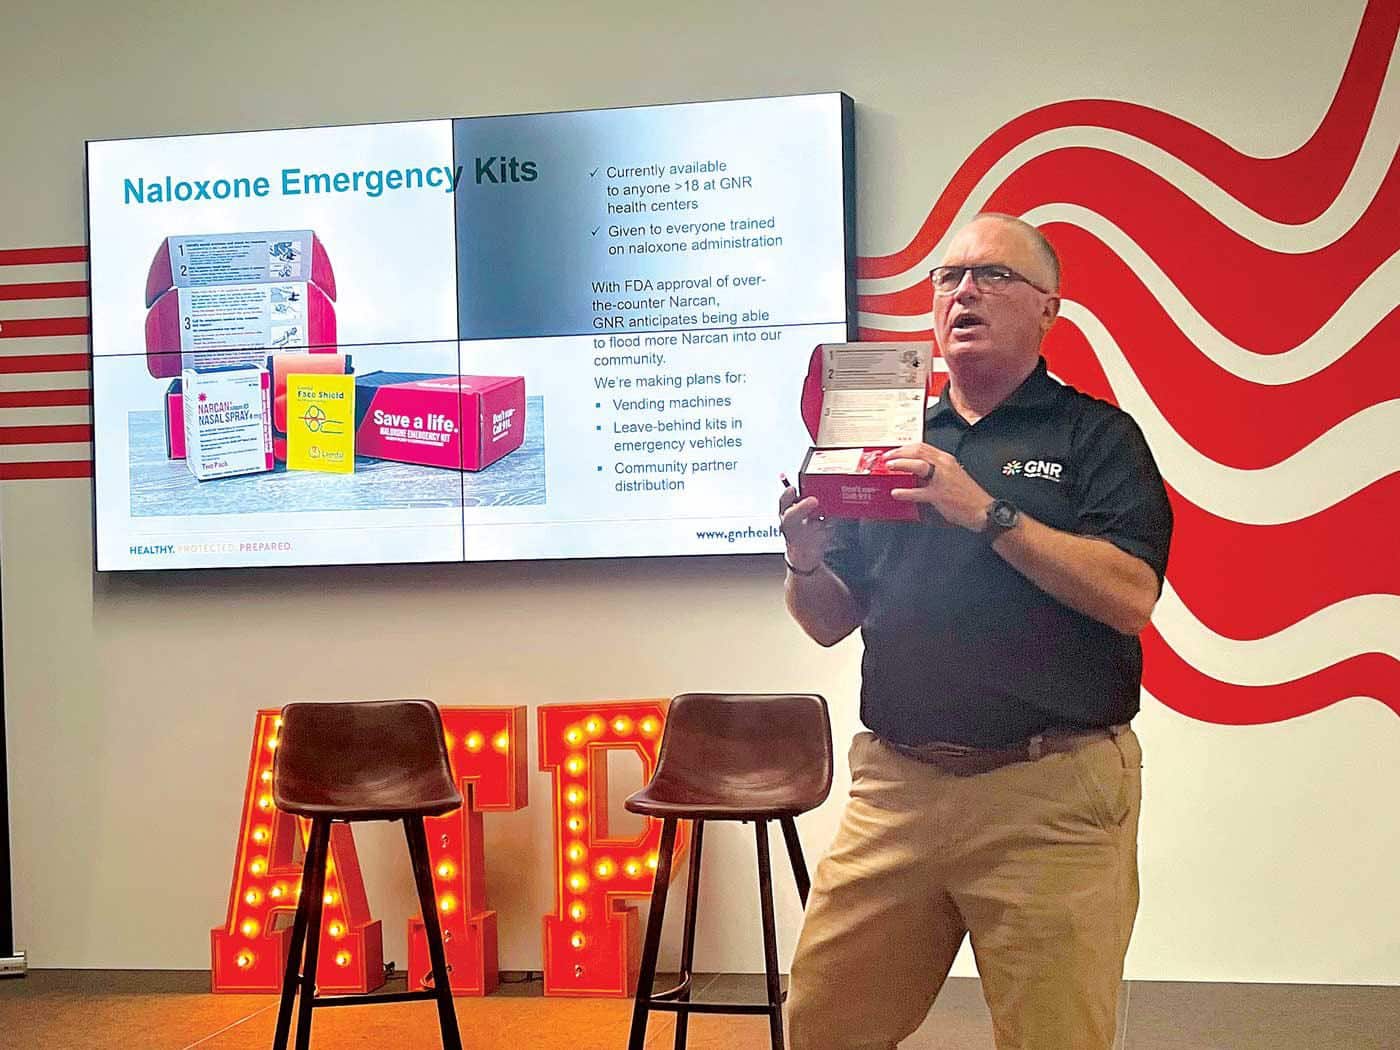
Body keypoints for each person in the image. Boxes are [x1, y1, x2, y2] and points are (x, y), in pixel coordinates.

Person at [780, 213, 1173, 1050]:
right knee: (821, 1028)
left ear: (1048, 310)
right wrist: (806, 563)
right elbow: (828, 624)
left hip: (1049, 793)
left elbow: (1132, 596)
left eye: (993, 276)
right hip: (897, 788)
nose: (964, 291)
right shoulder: (884, 442)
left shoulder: (1095, 437)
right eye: (948, 277)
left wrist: (983, 511)